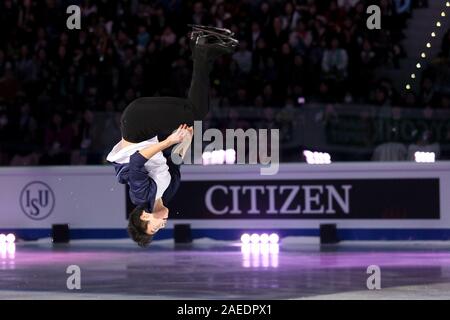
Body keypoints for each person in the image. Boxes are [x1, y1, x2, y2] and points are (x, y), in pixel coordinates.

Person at [106, 26, 237, 247]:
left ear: (144, 217)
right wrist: (186, 139)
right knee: (196, 112)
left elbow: (138, 159)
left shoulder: (140, 197)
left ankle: (202, 47)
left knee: (194, 112)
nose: (163, 225)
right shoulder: (167, 192)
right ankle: (204, 50)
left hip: (136, 125)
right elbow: (175, 162)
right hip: (146, 129)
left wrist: (170, 140)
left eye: (155, 227)